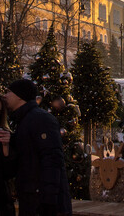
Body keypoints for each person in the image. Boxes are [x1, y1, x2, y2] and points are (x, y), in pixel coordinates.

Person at [5, 79, 73, 216]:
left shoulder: (40, 119)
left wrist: (48, 200)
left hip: (42, 202)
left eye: (8, 92)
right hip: (33, 198)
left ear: (19, 95)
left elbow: (52, 159)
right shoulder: (24, 120)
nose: (5, 96)